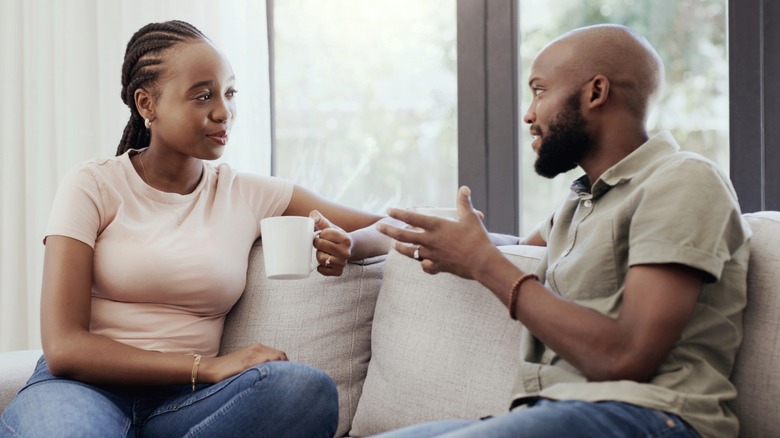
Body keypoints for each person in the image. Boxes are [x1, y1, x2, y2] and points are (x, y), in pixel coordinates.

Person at [0, 20, 392, 437]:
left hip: (186, 405)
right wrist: (206, 367)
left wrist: (351, 243)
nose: (224, 111)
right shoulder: (93, 185)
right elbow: (64, 348)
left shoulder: (246, 193)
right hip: (79, 392)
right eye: (203, 95)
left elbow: (390, 226)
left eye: (229, 92)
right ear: (147, 104)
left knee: (305, 389)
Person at [375, 24, 750, 438]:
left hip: (648, 417)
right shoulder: (581, 203)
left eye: (539, 90)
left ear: (595, 93)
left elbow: (627, 355)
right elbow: (515, 248)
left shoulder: (683, 180)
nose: (529, 114)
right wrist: (437, 238)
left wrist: (482, 263)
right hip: (552, 415)